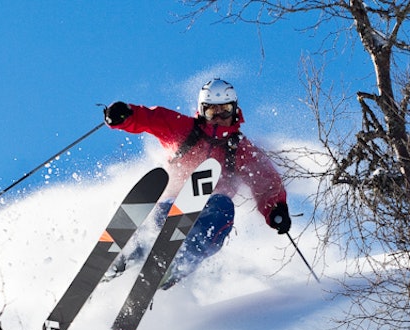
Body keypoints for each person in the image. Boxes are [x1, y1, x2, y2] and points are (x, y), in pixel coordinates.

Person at [102, 78, 291, 285]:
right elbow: (152, 118)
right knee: (162, 211)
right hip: (174, 204)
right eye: (212, 112)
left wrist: (276, 209)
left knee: (223, 206)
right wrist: (126, 115)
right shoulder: (182, 128)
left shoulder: (241, 149)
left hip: (209, 214)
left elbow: (265, 180)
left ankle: (178, 263)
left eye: (225, 110)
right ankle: (124, 257)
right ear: (202, 111)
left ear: (235, 110)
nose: (218, 118)